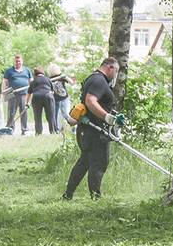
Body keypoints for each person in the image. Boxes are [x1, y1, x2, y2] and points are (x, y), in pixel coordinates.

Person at [63, 57, 126, 200]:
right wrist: (106, 117)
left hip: (87, 130)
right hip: (95, 132)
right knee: (99, 163)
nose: (115, 75)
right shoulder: (99, 81)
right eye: (115, 71)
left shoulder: (93, 78)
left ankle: (68, 195)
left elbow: (97, 103)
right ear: (110, 67)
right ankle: (96, 198)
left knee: (84, 162)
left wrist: (113, 116)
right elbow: (90, 101)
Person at [3, 54, 32, 134]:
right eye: (16, 61)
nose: (17, 63)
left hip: (24, 95)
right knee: (11, 112)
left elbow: (31, 82)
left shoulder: (27, 70)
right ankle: (10, 129)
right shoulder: (9, 71)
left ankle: (24, 129)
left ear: (22, 61)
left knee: (24, 112)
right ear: (14, 62)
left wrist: (31, 93)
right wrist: (5, 92)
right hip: (13, 95)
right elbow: (5, 82)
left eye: (19, 61)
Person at [27, 66, 56, 135]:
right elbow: (53, 91)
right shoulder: (48, 79)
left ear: (35, 74)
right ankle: (52, 131)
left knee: (37, 117)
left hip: (37, 97)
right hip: (48, 96)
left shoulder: (33, 81)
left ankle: (38, 133)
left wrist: (27, 103)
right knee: (51, 115)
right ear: (43, 73)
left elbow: (28, 93)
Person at [49, 64, 74, 132]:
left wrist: (66, 77)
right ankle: (56, 130)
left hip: (64, 98)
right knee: (55, 115)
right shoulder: (50, 79)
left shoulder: (61, 77)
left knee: (66, 114)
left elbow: (72, 82)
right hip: (55, 100)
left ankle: (73, 127)